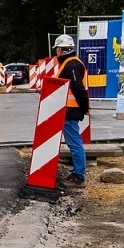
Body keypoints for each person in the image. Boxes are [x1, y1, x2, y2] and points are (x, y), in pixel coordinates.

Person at [50, 33, 89, 188]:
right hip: (69, 109)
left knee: (74, 143)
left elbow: (78, 88)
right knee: (74, 142)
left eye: (56, 50)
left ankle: (79, 176)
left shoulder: (71, 65)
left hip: (70, 110)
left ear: (60, 49)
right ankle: (77, 173)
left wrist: (84, 107)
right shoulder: (70, 63)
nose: (56, 53)